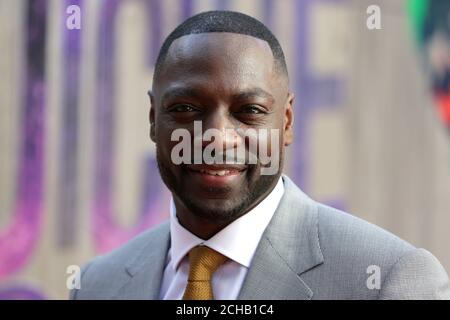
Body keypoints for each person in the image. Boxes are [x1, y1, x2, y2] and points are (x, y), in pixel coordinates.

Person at [71, 10, 450, 300]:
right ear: (154, 119)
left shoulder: (387, 279)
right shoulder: (95, 286)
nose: (218, 137)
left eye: (249, 111)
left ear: (285, 122)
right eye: (186, 108)